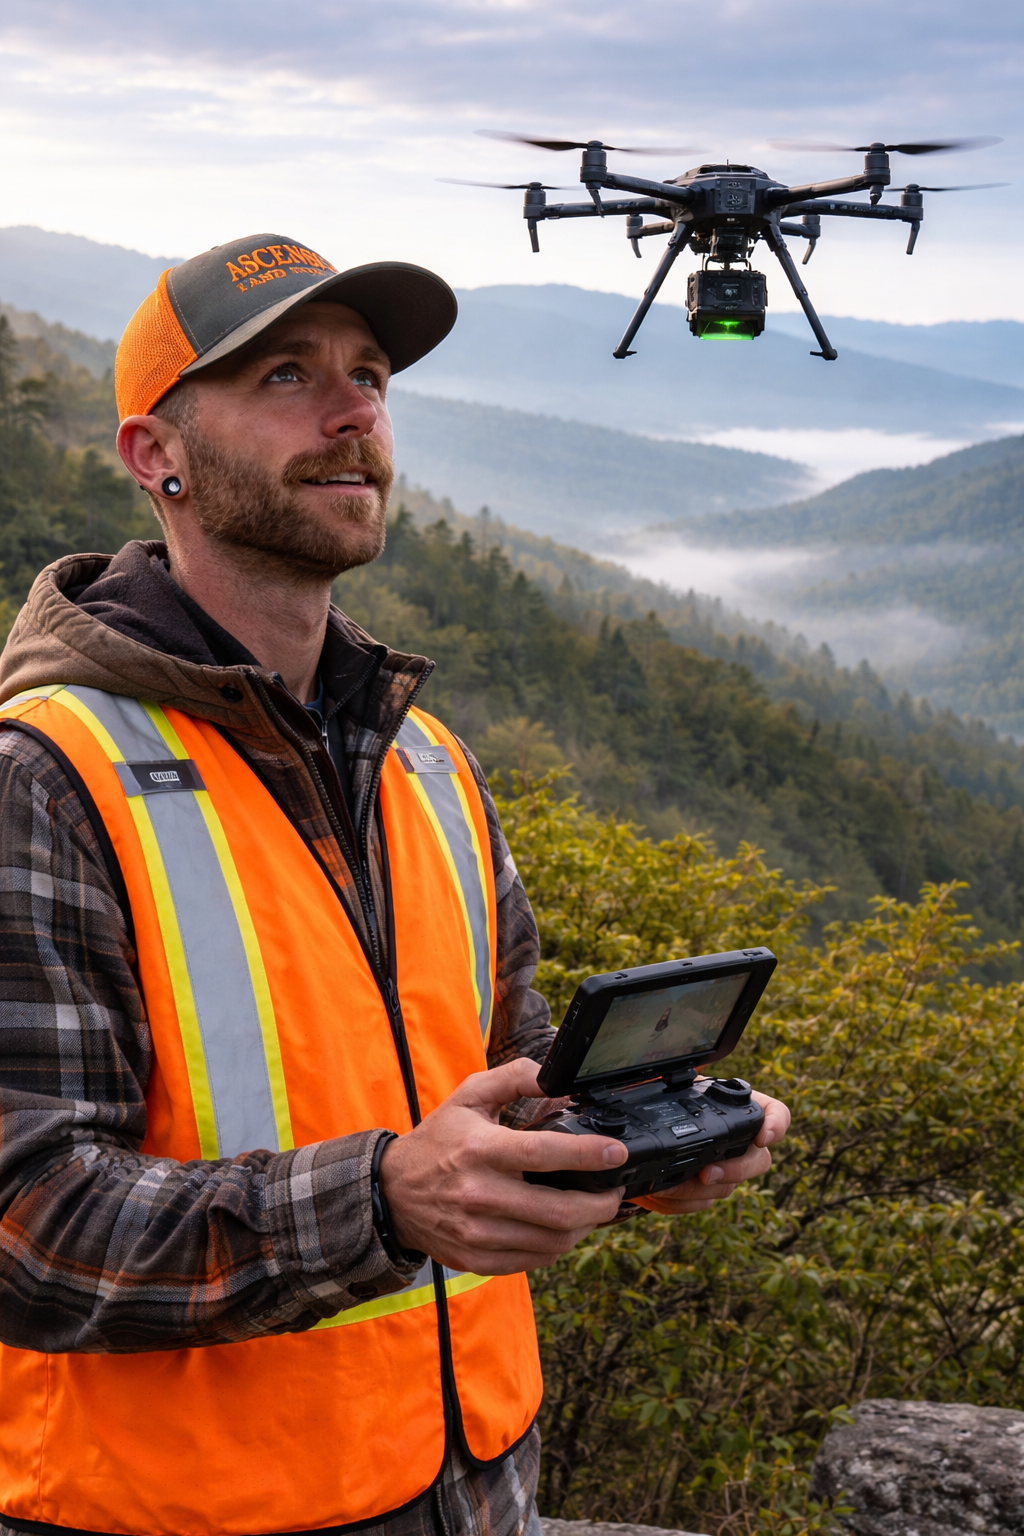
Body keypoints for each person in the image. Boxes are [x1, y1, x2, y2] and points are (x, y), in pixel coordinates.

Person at [0, 233, 790, 1536]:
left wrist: (639, 1146)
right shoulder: (48, 779)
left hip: (473, 1488)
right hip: (183, 1511)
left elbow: (502, 1090)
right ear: (158, 457)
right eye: (286, 378)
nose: (353, 410)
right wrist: (376, 1199)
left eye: (369, 377)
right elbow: (25, 1224)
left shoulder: (430, 765)